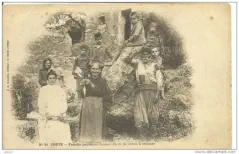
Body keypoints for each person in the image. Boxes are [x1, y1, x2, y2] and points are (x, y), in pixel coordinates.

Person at [125, 47, 165, 140]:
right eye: (143, 56)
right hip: (141, 91)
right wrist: (135, 49)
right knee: (139, 112)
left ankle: (152, 135)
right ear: (141, 57)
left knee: (153, 113)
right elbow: (127, 59)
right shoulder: (138, 63)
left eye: (147, 56)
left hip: (152, 91)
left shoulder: (155, 65)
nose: (145, 58)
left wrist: (157, 94)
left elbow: (159, 80)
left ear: (150, 57)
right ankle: (141, 134)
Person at [104, 11, 146, 91]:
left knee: (122, 47)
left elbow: (136, 35)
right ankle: (113, 60)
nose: (133, 21)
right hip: (135, 43)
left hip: (139, 44)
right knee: (121, 47)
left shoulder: (139, 24)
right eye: (131, 19)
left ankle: (113, 60)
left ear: (138, 19)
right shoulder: (134, 25)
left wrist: (127, 41)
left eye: (134, 19)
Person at [79, 62, 111, 142]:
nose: (95, 71)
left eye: (97, 69)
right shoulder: (86, 79)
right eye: (93, 68)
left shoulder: (103, 81)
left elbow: (101, 93)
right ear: (90, 69)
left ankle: (97, 139)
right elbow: (82, 95)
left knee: (97, 122)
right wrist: (81, 87)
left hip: (98, 103)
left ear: (100, 70)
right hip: (87, 103)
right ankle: (86, 139)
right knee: (88, 121)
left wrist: (91, 84)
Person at [37, 70, 71, 143]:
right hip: (48, 114)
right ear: (47, 79)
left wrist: (61, 113)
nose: (52, 80)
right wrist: (46, 113)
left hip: (58, 113)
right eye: (50, 78)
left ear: (55, 79)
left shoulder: (59, 89)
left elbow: (63, 102)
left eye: (53, 78)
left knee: (62, 128)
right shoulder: (43, 89)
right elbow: (41, 103)